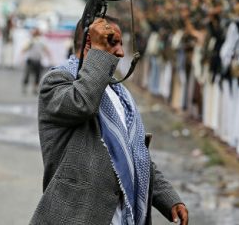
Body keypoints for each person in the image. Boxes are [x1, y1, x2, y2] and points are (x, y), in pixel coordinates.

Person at [32, 16, 189, 225]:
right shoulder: (57, 82)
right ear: (90, 43)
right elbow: (82, 103)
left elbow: (133, 154)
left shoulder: (117, 92)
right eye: (112, 43)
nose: (121, 52)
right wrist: (97, 53)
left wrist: (169, 199)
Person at [22, 28, 50, 94]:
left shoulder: (40, 41)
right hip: (31, 60)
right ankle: (26, 87)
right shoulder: (31, 41)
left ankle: (34, 88)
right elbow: (25, 49)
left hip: (37, 60)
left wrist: (49, 55)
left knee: (37, 75)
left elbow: (46, 49)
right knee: (28, 74)